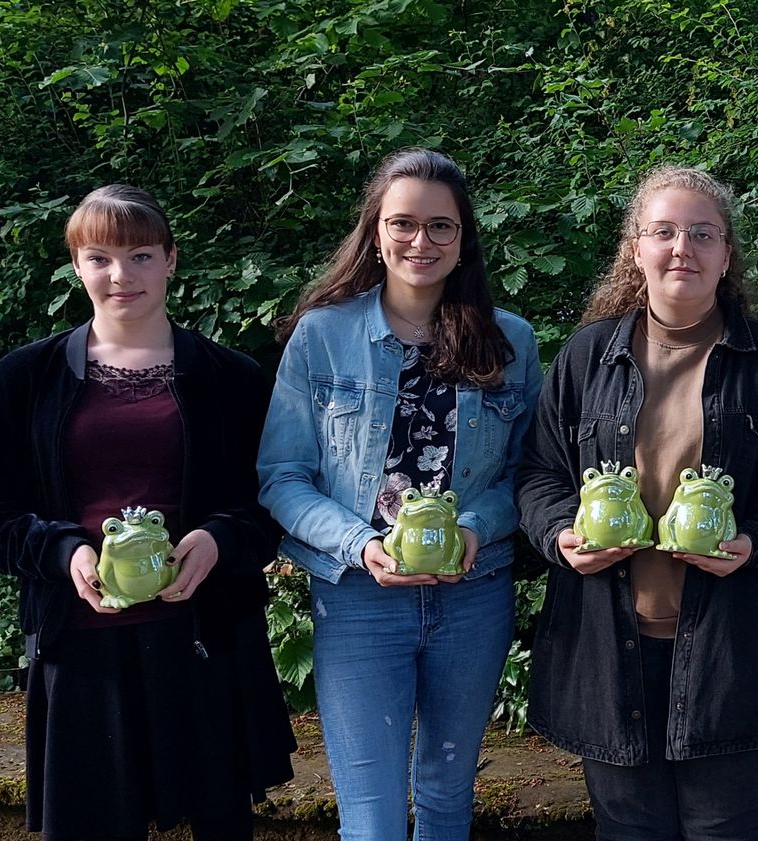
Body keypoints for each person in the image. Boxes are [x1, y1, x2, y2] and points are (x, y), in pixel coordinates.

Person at [0, 185, 295, 840]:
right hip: (81, 643)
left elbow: (273, 501)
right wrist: (63, 552)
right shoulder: (26, 377)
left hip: (204, 638)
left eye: (140, 255)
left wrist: (218, 540)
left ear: (171, 259)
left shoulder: (233, 377)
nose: (121, 275)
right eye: (100, 257)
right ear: (76, 266)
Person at [517, 165, 758, 840]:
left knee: (726, 827)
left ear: (725, 256)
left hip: (733, 654)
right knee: (628, 828)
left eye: (702, 233)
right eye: (663, 230)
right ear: (637, 248)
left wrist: (756, 541)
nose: (681, 246)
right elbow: (539, 474)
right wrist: (560, 534)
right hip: (610, 646)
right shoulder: (586, 358)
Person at [257, 148, 542, 841]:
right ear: (376, 232)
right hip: (359, 598)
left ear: (464, 237)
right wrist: (359, 544)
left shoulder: (510, 340)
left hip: (473, 592)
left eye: (441, 226)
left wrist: (475, 526)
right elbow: (282, 475)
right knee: (373, 815)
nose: (422, 241)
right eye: (404, 223)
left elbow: (528, 474)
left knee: (447, 799)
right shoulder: (323, 336)